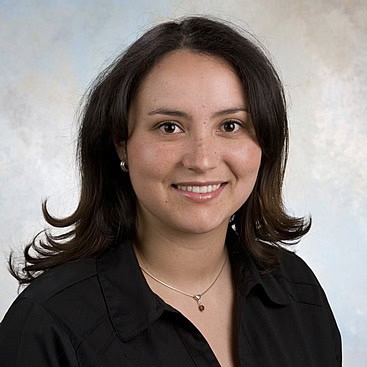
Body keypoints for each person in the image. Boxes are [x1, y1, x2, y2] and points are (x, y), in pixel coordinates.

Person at [0, 16, 341, 366]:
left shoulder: (298, 291)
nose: (202, 160)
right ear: (122, 144)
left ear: (265, 142)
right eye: (169, 127)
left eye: (230, 125)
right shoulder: (48, 326)